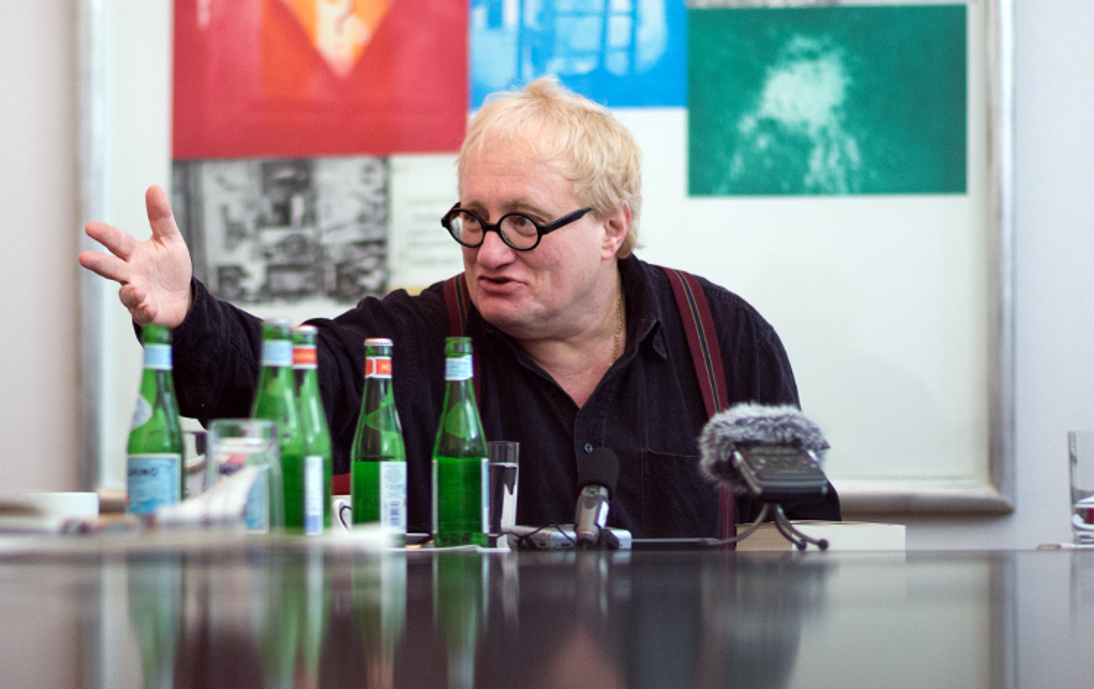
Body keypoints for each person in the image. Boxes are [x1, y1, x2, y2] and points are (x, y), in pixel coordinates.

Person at [80, 77, 840, 539]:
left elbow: (806, 539)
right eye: (473, 218)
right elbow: (284, 376)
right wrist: (187, 315)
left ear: (613, 226)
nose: (490, 251)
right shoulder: (413, 336)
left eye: (524, 222)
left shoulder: (725, 338)